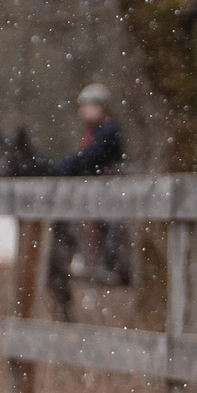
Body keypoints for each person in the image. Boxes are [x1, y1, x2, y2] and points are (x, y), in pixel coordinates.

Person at [50, 84, 131, 294]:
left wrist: (69, 164)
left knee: (108, 223)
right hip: (99, 186)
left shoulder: (109, 130)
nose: (83, 112)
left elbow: (93, 157)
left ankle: (105, 263)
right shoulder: (94, 131)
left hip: (110, 188)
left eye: (87, 106)